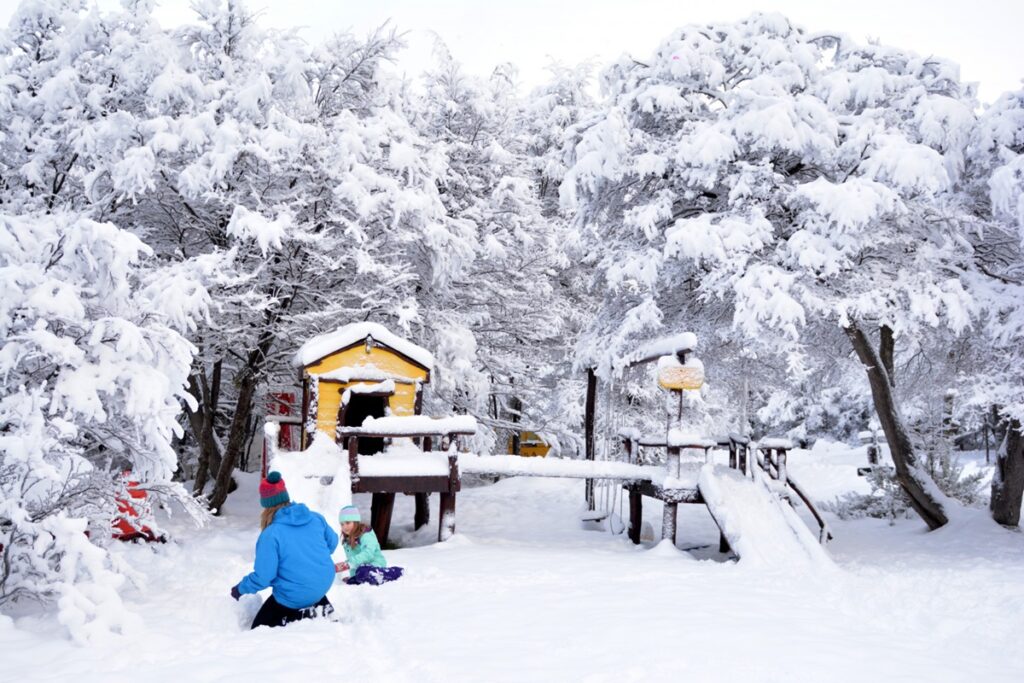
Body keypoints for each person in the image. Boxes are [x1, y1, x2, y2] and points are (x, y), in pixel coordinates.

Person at [231, 472, 338, 629]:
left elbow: (264, 577)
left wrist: (240, 589)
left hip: (293, 597)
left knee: (256, 631)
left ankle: (296, 616)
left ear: (266, 505)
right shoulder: (315, 518)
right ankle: (316, 608)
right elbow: (333, 543)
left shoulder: (271, 534)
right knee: (304, 590)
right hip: (322, 587)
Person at [335, 505, 403, 585]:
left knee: (363, 572)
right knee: (354, 579)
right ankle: (361, 578)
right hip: (360, 569)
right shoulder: (347, 541)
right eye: (342, 524)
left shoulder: (366, 535)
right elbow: (352, 560)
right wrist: (353, 576)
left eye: (347, 523)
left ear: (356, 522)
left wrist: (349, 563)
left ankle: (394, 572)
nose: (344, 527)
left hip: (375, 565)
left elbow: (368, 554)